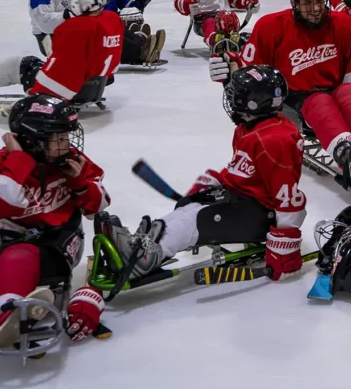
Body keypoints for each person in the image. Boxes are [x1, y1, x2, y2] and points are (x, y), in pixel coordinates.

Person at [101, 65, 306, 284]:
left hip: (262, 215)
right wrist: (218, 180)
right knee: (188, 208)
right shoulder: (249, 127)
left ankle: (145, 259)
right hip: (243, 200)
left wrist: (285, 244)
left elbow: (287, 195)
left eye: (237, 96)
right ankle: (144, 243)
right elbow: (245, 168)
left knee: (196, 219)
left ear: (255, 103)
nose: (230, 99)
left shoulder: (276, 140)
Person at [208, 0, 351, 195]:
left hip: (335, 90)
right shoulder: (271, 27)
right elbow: (248, 73)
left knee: (350, 92)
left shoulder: (343, 23)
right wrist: (229, 71)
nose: (315, 8)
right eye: (307, 2)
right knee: (320, 101)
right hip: (293, 101)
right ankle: (349, 157)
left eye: (319, 0)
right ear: (294, 1)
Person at [0, 94, 111, 350]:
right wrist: (19, 161)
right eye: (57, 138)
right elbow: (4, 203)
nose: (66, 144)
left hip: (63, 240)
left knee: (30, 259)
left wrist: (78, 182)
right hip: (15, 244)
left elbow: (97, 207)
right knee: (18, 256)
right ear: (31, 141)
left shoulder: (73, 161)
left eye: (67, 136)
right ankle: (5, 315)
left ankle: (12, 307)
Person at [0, 0, 124, 103]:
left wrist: (35, 98)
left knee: (22, 64)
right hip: (97, 85)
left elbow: (59, 69)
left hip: (72, 90)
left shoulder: (74, 27)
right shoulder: (112, 19)